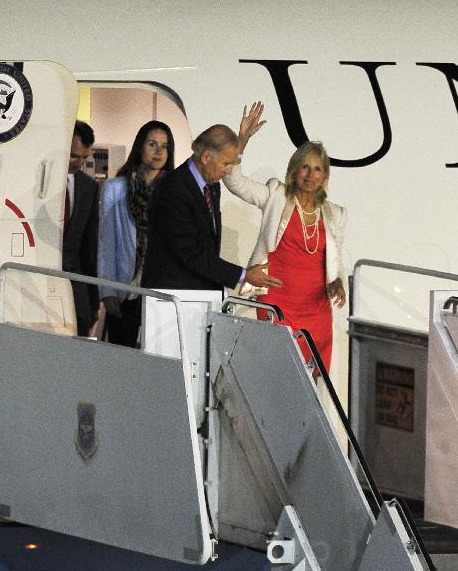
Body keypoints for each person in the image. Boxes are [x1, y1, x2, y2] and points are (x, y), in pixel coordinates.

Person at [222, 102, 347, 370]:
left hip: (316, 310)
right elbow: (234, 182)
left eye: (317, 169)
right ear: (294, 169)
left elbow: (335, 259)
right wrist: (241, 141)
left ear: (325, 176)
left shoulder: (335, 214)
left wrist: (337, 281)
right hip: (277, 304)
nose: (310, 175)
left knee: (313, 383)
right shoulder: (276, 195)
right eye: (304, 167)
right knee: (275, 376)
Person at [141, 124, 282, 292]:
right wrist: (244, 275)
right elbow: (190, 252)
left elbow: (207, 246)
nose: (229, 171)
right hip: (171, 294)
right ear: (207, 157)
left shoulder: (212, 186)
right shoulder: (173, 188)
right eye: (226, 164)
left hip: (199, 293)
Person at [98, 121, 175, 347]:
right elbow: (106, 242)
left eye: (165, 145)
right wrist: (107, 289)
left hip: (159, 287)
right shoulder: (116, 188)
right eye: (152, 144)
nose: (159, 151)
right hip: (126, 287)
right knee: (122, 357)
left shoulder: (173, 190)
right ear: (140, 147)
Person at [63, 121, 100, 337]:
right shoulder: (39, 181)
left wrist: (93, 300)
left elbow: (89, 247)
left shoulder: (89, 187)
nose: (80, 162)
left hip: (77, 290)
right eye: (74, 155)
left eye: (85, 157)